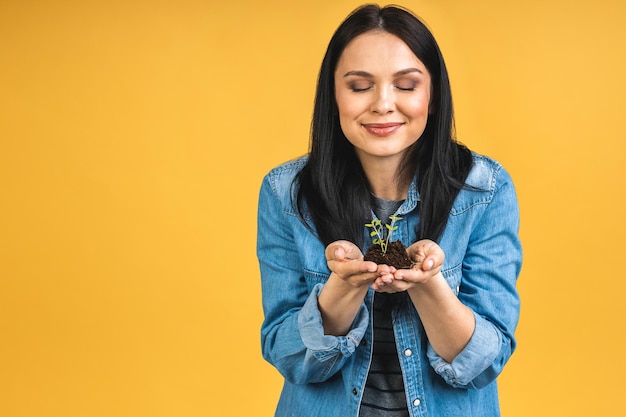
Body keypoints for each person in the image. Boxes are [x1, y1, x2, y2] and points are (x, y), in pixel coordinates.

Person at [256, 4, 522, 417]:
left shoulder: (483, 190)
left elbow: (484, 363)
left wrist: (428, 283)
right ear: (334, 96)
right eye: (360, 86)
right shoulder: (287, 193)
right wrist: (342, 288)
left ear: (432, 97)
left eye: (406, 85)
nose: (383, 104)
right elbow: (287, 355)